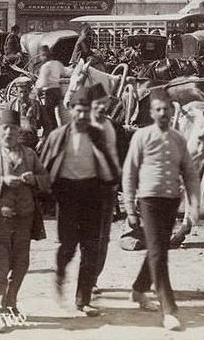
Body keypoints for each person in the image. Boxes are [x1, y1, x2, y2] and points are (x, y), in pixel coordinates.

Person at [123, 89, 201, 331]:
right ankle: (169, 310)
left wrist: (194, 205)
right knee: (159, 254)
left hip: (171, 202)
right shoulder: (141, 137)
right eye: (157, 109)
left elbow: (189, 174)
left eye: (166, 109)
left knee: (158, 249)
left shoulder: (178, 139)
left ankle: (138, 289)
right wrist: (129, 207)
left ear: (171, 109)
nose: (162, 113)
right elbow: (129, 173)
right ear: (151, 112)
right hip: (148, 201)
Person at [37, 88, 119, 316]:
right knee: (68, 246)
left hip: (92, 194)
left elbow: (110, 165)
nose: (82, 116)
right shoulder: (58, 136)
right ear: (70, 110)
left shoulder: (97, 134)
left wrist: (110, 185)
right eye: (78, 111)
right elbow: (45, 166)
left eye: (85, 111)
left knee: (91, 248)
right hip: (67, 196)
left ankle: (83, 300)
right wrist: (44, 195)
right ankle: (60, 274)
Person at [0, 109, 50, 331]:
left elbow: (46, 180)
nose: (9, 133)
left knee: (21, 264)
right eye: (5, 128)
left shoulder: (30, 155)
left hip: (24, 219)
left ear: (20, 132)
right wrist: (2, 180)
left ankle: (11, 303)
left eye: (14, 129)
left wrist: (33, 179)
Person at [87, 84, 121, 296]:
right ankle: (87, 278)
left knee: (103, 237)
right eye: (97, 104)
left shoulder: (112, 126)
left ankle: (94, 277)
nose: (101, 107)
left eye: (104, 103)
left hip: (108, 190)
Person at [34, 46, 65, 140]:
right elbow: (63, 73)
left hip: (50, 92)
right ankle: (55, 130)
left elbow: (42, 82)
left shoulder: (45, 66)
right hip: (58, 90)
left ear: (44, 56)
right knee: (57, 113)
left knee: (48, 114)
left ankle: (51, 132)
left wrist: (36, 89)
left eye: (41, 56)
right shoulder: (58, 64)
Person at [7, 77, 42, 149]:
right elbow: (5, 127)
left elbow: (47, 125)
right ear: (16, 91)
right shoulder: (11, 105)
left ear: (30, 91)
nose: (23, 95)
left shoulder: (36, 105)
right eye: (21, 92)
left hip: (32, 142)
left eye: (25, 91)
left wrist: (42, 140)